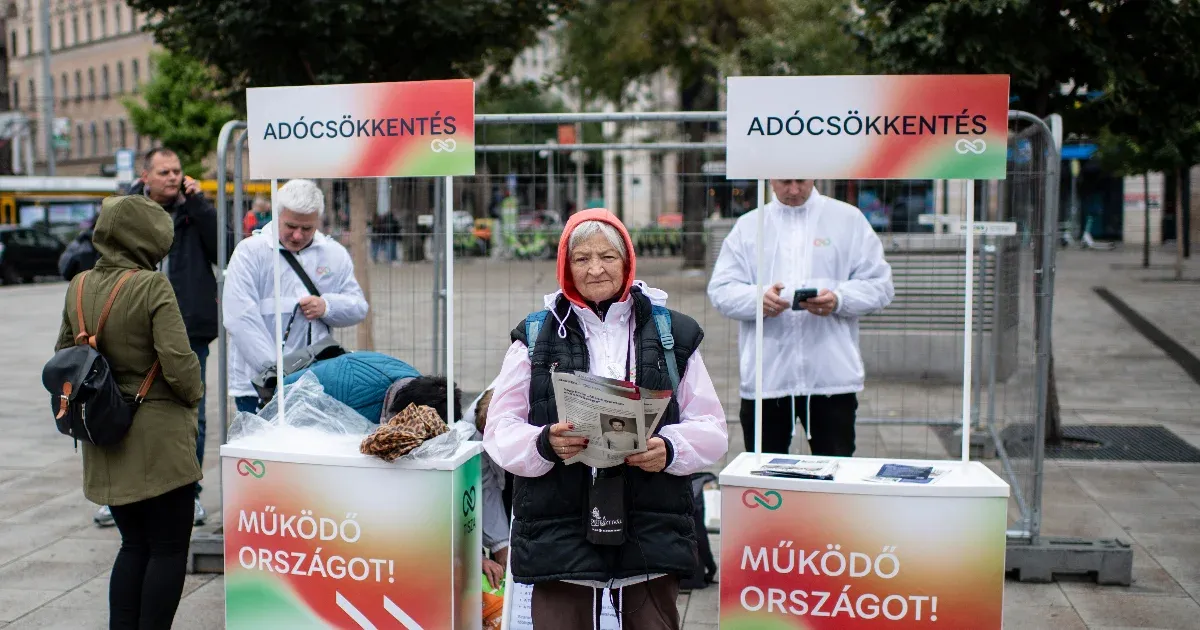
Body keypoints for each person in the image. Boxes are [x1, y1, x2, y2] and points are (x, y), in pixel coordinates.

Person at [483, 209, 728, 630]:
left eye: (607, 256)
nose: (595, 268)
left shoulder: (673, 333)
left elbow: (712, 428)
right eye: (582, 258)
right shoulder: (537, 335)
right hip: (558, 522)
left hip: (650, 520)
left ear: (627, 261)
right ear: (566, 266)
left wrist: (668, 450)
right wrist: (544, 444)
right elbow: (500, 429)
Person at [54, 195, 203, 629]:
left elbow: (63, 356)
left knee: (133, 544)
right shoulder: (152, 285)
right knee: (170, 546)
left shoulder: (78, 285)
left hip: (104, 434)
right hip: (157, 441)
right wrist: (192, 396)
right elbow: (180, 364)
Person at [708, 179, 894, 457]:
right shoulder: (749, 227)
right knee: (764, 479)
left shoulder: (847, 220)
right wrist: (757, 299)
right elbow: (720, 290)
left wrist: (839, 299)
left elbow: (881, 286)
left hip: (830, 378)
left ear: (814, 176)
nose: (794, 190)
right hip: (767, 379)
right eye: (785, 181)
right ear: (770, 178)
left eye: (801, 181)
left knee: (834, 474)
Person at [92, 148, 219, 529]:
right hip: (129, 326)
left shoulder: (194, 213)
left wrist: (200, 204)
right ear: (145, 176)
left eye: (178, 170)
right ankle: (117, 495)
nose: (174, 177)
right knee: (118, 407)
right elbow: (96, 249)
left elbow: (224, 248)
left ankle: (189, 495)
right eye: (164, 171)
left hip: (187, 326)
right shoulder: (124, 210)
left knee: (188, 412)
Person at [223, 178, 368, 415]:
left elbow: (358, 307)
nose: (298, 235)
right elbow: (240, 318)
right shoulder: (250, 252)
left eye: (307, 228)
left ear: (318, 221)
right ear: (277, 215)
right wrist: (277, 373)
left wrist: (327, 307)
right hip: (259, 385)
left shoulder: (334, 254)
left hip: (315, 381)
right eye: (290, 226)